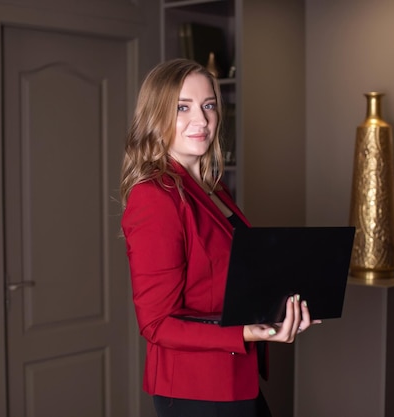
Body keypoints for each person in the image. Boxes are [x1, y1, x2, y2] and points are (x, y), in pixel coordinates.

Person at [120, 58, 318, 417]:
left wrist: (277, 313)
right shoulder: (154, 196)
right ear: (155, 116)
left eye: (208, 105)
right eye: (182, 107)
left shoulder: (213, 189)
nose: (201, 119)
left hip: (235, 379)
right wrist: (249, 333)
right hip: (195, 391)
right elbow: (156, 324)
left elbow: (225, 279)